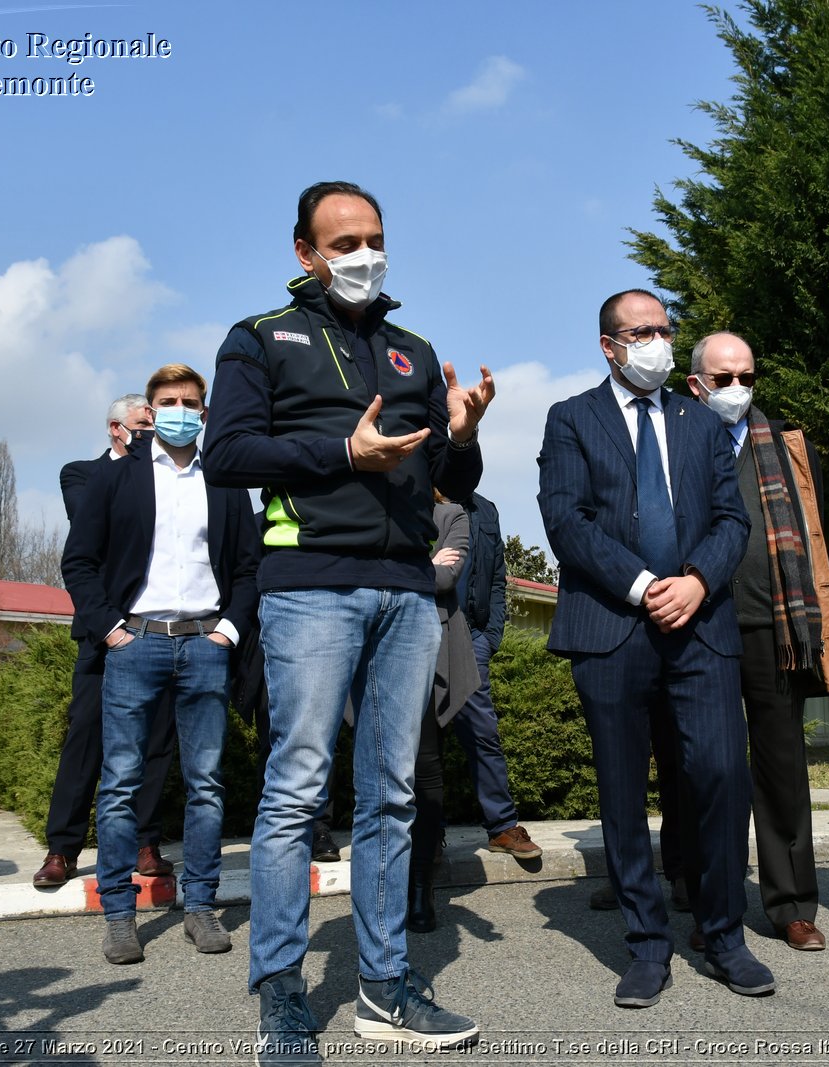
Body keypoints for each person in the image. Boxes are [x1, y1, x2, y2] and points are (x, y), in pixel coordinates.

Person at [204, 180, 491, 1063]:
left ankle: (384, 989)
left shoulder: (414, 348)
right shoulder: (259, 338)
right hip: (311, 584)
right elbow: (227, 453)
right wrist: (340, 451)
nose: (363, 254)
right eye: (343, 241)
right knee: (294, 792)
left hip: (408, 590)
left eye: (373, 237)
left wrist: (464, 432)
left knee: (392, 795)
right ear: (305, 253)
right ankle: (281, 996)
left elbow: (455, 482)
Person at [537, 288, 767, 1009]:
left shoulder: (700, 422)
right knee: (622, 791)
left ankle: (725, 935)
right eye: (643, 332)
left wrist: (696, 580)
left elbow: (733, 518)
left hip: (701, 624)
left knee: (723, 774)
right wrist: (644, 586)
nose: (659, 344)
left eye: (666, 331)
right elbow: (566, 522)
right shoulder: (571, 419)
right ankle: (646, 946)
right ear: (609, 345)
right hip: (613, 624)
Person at [60, 363, 259, 966]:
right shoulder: (115, 481)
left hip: (204, 645)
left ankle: (200, 907)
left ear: (205, 412)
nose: (179, 409)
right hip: (135, 643)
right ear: (149, 410)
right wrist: (112, 630)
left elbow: (250, 568)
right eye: (167, 400)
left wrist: (227, 631)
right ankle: (119, 914)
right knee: (119, 784)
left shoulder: (224, 483)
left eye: (190, 401)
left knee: (205, 785)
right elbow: (80, 563)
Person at [685, 331, 829, 953]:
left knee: (782, 770)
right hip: (701, 627)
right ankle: (713, 906)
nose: (737, 390)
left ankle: (792, 905)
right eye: (724, 379)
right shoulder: (676, 439)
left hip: (775, 630)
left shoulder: (784, 445)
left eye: (747, 377)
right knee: (712, 771)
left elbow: (810, 534)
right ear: (696, 382)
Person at [34, 394, 179, 889]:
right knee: (86, 739)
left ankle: (145, 841)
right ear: (116, 429)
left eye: (154, 425)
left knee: (156, 742)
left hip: (160, 629)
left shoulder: (171, 478)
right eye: (143, 424)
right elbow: (97, 525)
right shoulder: (81, 474)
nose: (151, 430)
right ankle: (63, 849)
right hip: (106, 633)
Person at [454, 492, 543, 861]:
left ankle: (503, 826)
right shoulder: (417, 498)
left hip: (471, 636)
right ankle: (423, 837)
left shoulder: (486, 508)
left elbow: (496, 578)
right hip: (422, 626)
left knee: (483, 731)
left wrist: (489, 638)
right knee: (416, 739)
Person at [408, 494, 480, 933]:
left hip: (426, 654)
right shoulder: (369, 502)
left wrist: (401, 568)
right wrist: (425, 562)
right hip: (372, 650)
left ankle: (421, 886)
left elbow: (445, 578)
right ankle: (385, 885)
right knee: (377, 775)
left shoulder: (450, 514)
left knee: (426, 772)